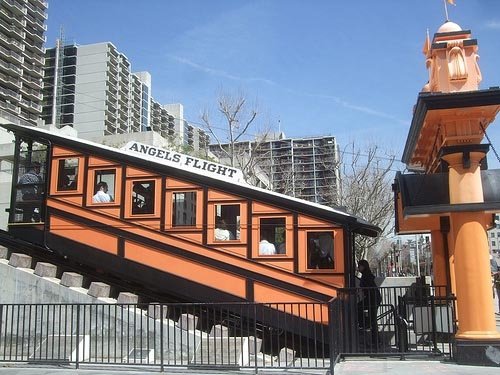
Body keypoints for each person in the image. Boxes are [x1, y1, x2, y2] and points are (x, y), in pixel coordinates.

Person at [357, 259, 382, 348]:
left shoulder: (365, 276)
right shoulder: (367, 274)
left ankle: (364, 323)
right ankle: (376, 341)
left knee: (372, 319)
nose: (358, 268)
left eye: (359, 266)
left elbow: (364, 287)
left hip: (372, 299)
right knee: (373, 320)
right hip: (373, 298)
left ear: (363, 266)